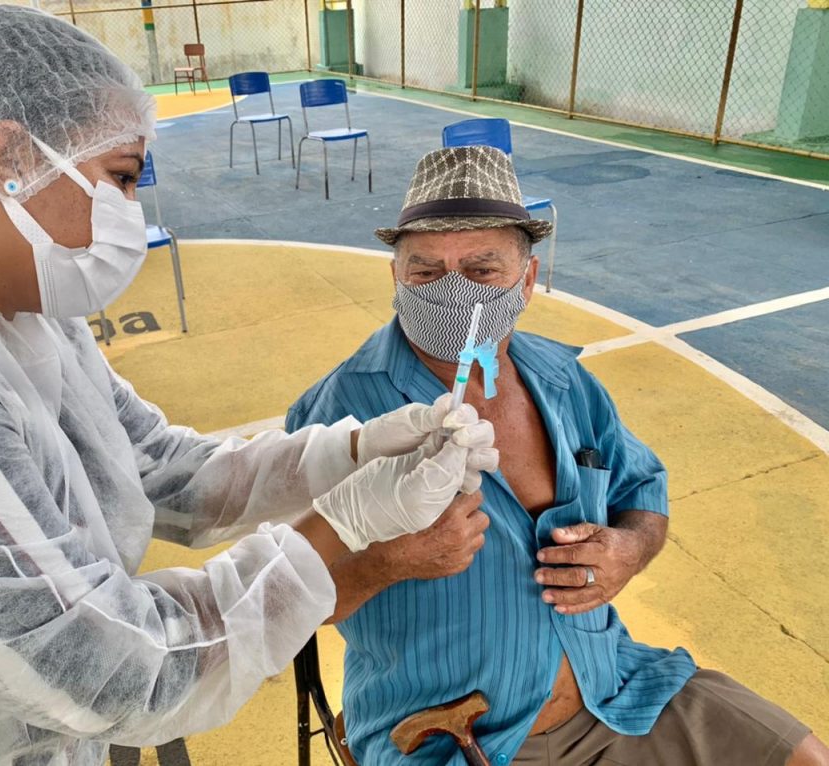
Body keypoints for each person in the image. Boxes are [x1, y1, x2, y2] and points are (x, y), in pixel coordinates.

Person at [0, 8, 499, 764]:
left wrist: (352, 453)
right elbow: (116, 670)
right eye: (121, 178)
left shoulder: (14, 304)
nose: (129, 212)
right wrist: (344, 525)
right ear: (9, 154)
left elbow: (158, 466)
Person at [287, 146, 829, 766]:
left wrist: (629, 550)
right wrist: (391, 561)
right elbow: (289, 600)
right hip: (451, 736)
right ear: (395, 277)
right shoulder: (338, 416)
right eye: (426, 270)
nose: (453, 291)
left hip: (618, 688)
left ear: (528, 278)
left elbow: (642, 491)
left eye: (481, 269)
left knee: (802, 757)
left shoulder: (564, 379)